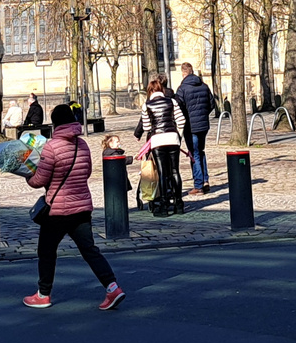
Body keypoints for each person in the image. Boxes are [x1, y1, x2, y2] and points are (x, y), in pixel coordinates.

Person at [23, 103, 124, 310]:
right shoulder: (83, 144)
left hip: (57, 210)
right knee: (89, 250)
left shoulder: (51, 147)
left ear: (55, 123)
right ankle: (112, 287)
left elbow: (39, 180)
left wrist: (27, 174)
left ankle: (43, 294)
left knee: (47, 251)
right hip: (82, 207)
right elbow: (86, 173)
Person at [138, 74, 188, 216]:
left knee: (162, 173)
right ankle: (179, 203)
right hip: (173, 139)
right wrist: (178, 135)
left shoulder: (146, 105)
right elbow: (181, 120)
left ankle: (164, 206)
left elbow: (147, 127)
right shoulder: (172, 101)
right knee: (175, 171)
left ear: (150, 91)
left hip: (158, 141)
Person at [174, 62, 215, 195]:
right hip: (203, 125)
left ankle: (198, 185)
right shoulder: (204, 86)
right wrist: (203, 114)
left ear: (183, 73)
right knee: (201, 151)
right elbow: (212, 104)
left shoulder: (182, 89)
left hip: (191, 126)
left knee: (194, 154)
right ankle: (205, 181)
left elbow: (178, 107)